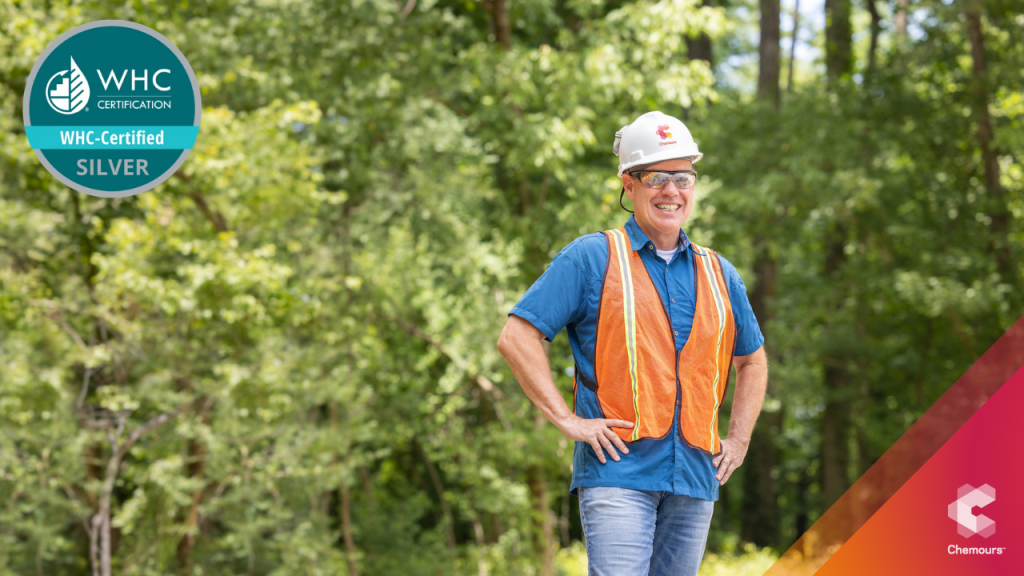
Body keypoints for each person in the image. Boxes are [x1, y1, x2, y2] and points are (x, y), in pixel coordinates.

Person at [496, 111, 769, 576]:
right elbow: (517, 336)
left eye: (682, 177)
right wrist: (566, 420)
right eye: (656, 177)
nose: (671, 190)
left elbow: (753, 361)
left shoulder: (720, 273)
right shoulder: (592, 257)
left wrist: (739, 440)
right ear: (629, 183)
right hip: (618, 475)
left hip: (696, 479)